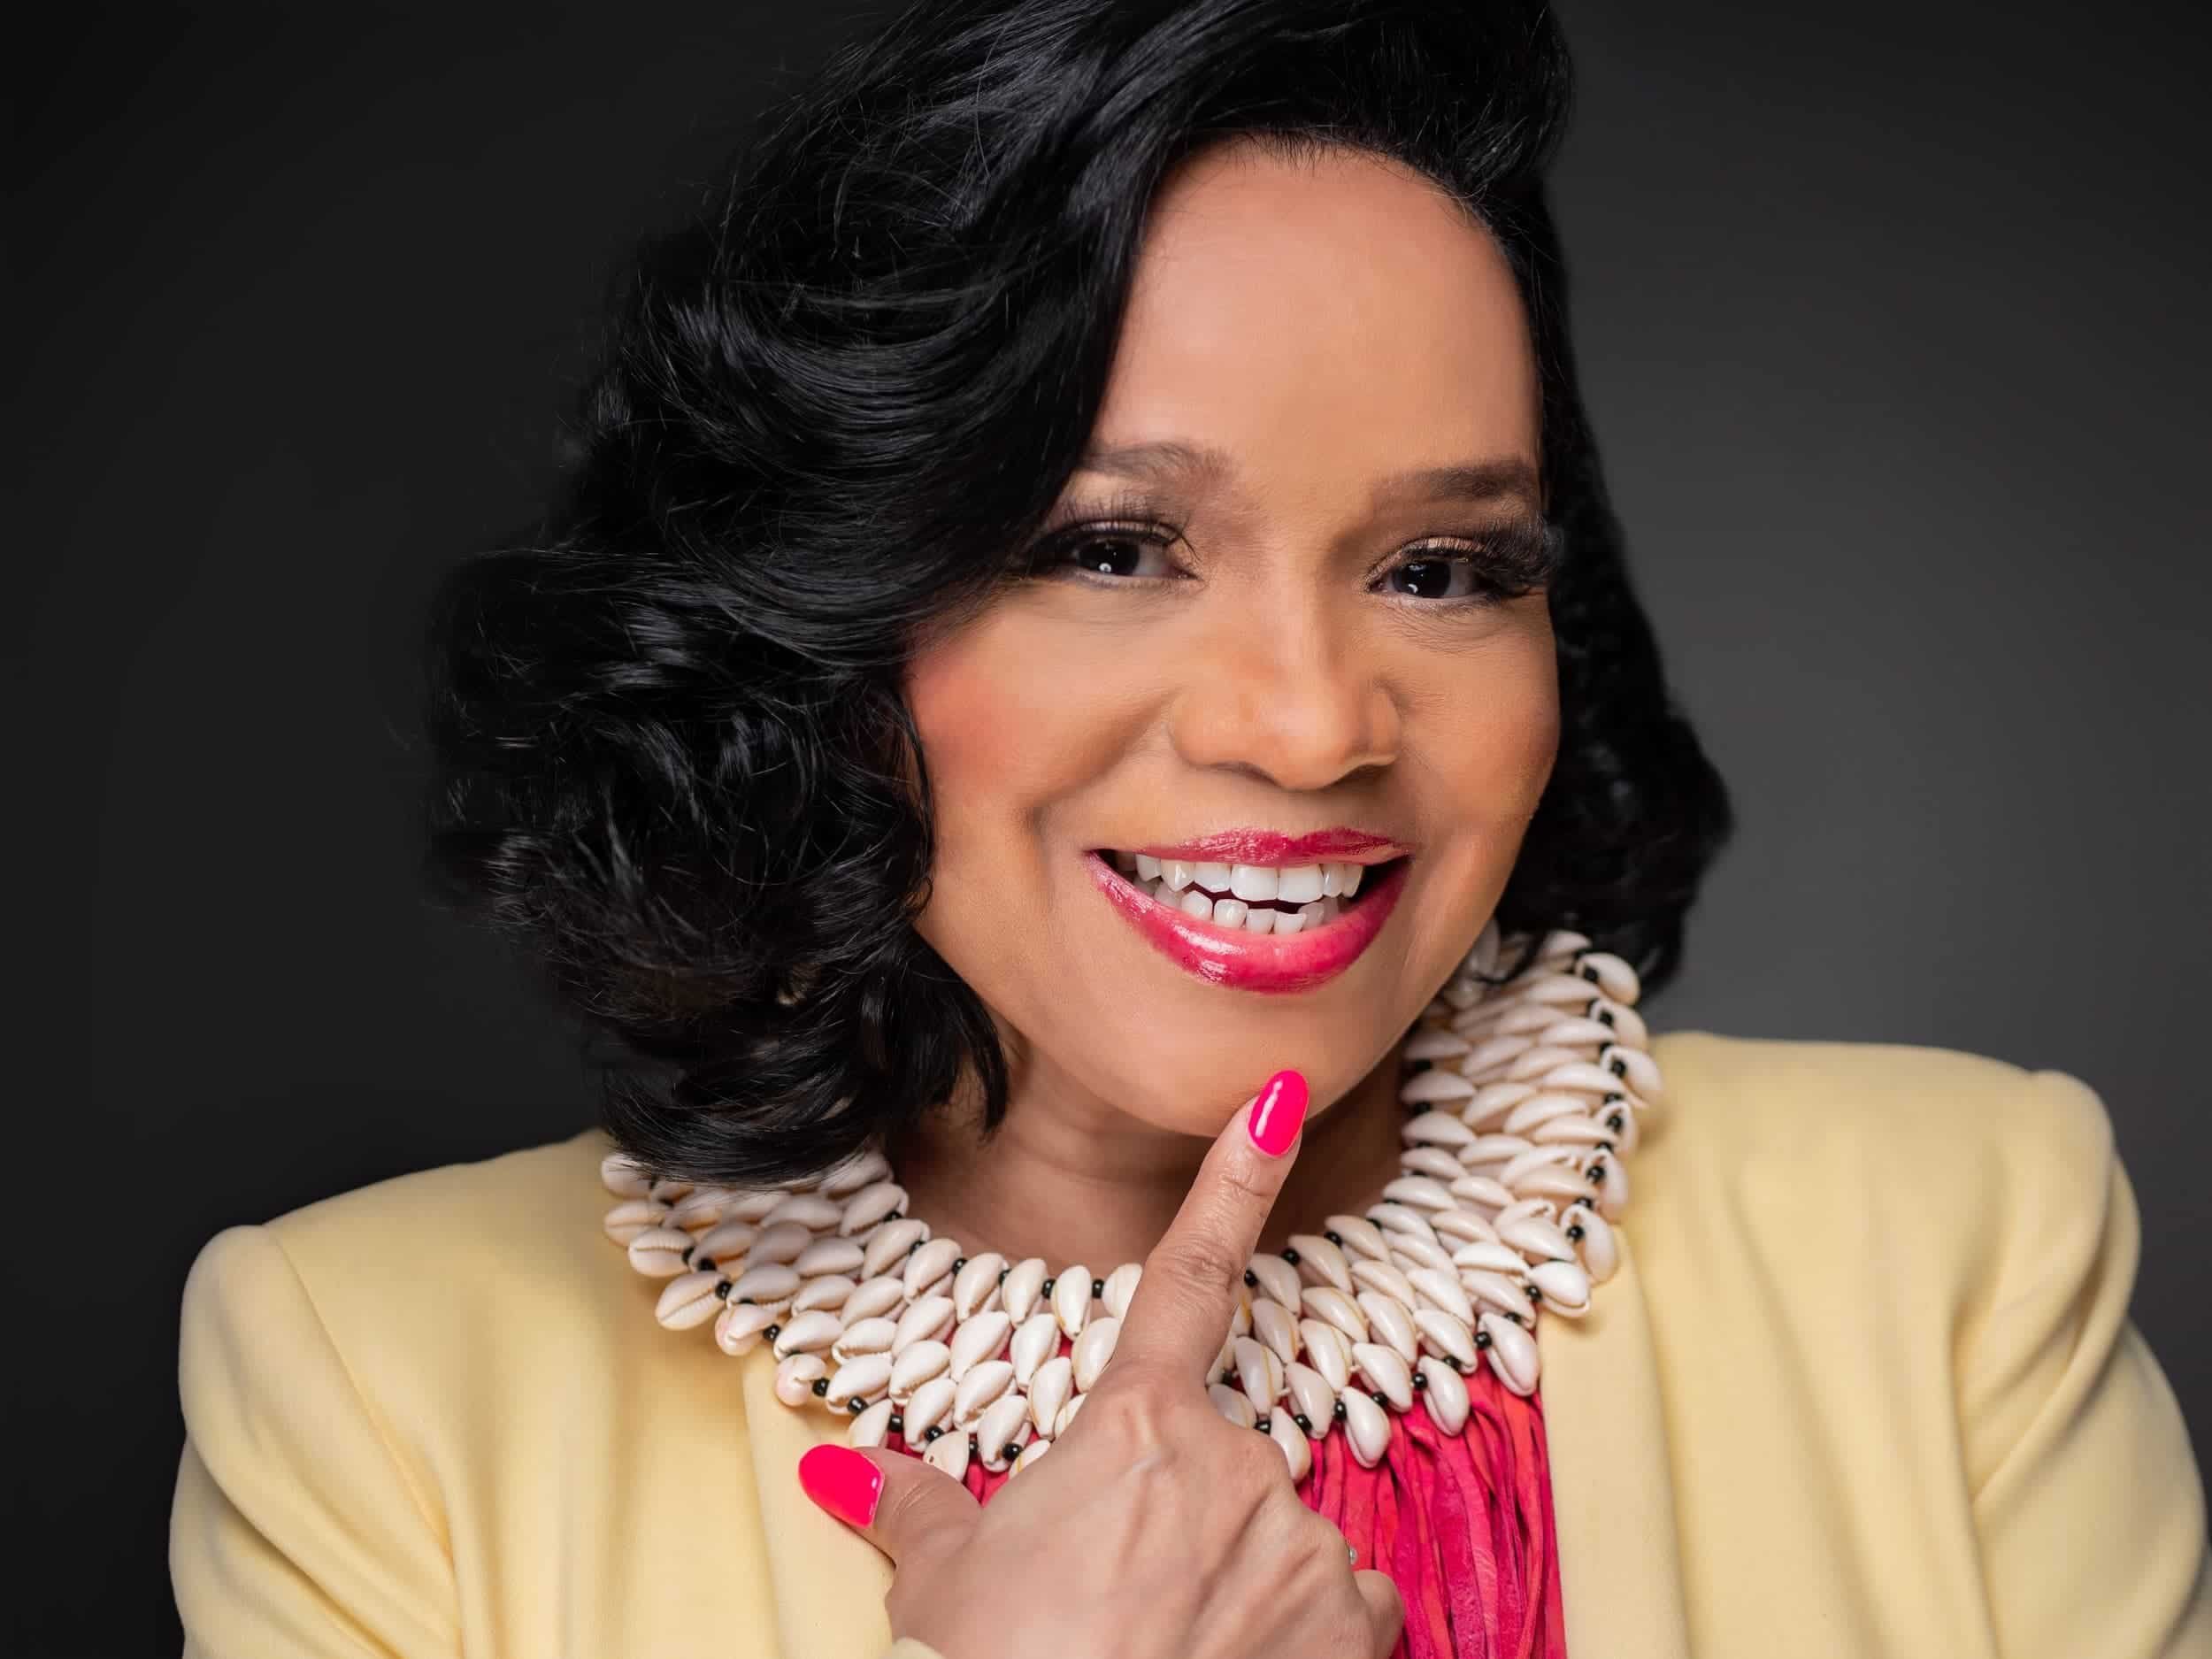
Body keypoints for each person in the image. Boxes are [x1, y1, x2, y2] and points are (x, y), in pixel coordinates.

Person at [167, 2, 2211, 1655]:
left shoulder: (1952, 1247)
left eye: (1438, 565)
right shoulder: (378, 1390)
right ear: (834, 613)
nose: (1313, 725)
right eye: (1114, 544)